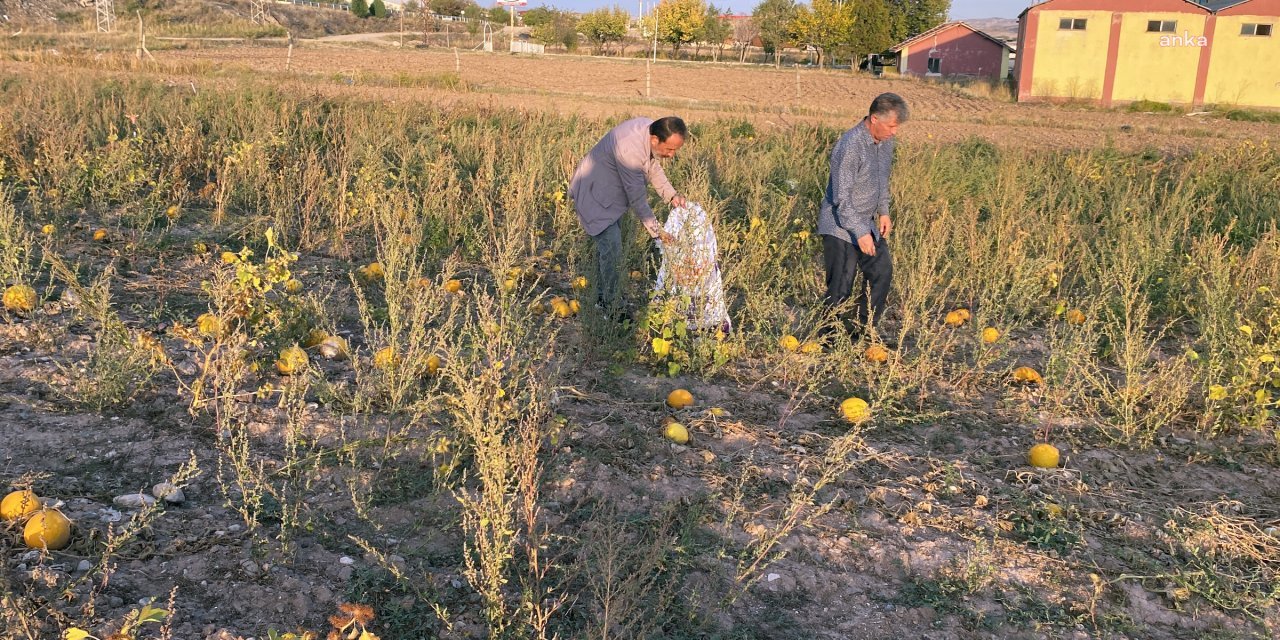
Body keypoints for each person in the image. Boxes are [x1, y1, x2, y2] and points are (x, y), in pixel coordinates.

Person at [569, 116, 688, 318]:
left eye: (675, 150)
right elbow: (638, 199)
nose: (672, 155)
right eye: (669, 149)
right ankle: (612, 307)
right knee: (612, 249)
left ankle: (602, 296)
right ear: (654, 140)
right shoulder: (629, 149)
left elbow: (652, 168)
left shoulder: (650, 129)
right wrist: (658, 233)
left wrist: (672, 195)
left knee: (608, 250)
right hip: (595, 196)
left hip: (608, 195)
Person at [817, 93, 908, 338]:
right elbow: (841, 198)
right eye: (891, 126)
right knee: (841, 286)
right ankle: (828, 339)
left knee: (881, 271)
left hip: (865, 222)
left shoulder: (885, 142)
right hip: (839, 225)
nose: (894, 132)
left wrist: (884, 212)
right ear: (874, 119)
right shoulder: (850, 145)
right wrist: (860, 232)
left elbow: (881, 179)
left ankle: (862, 330)